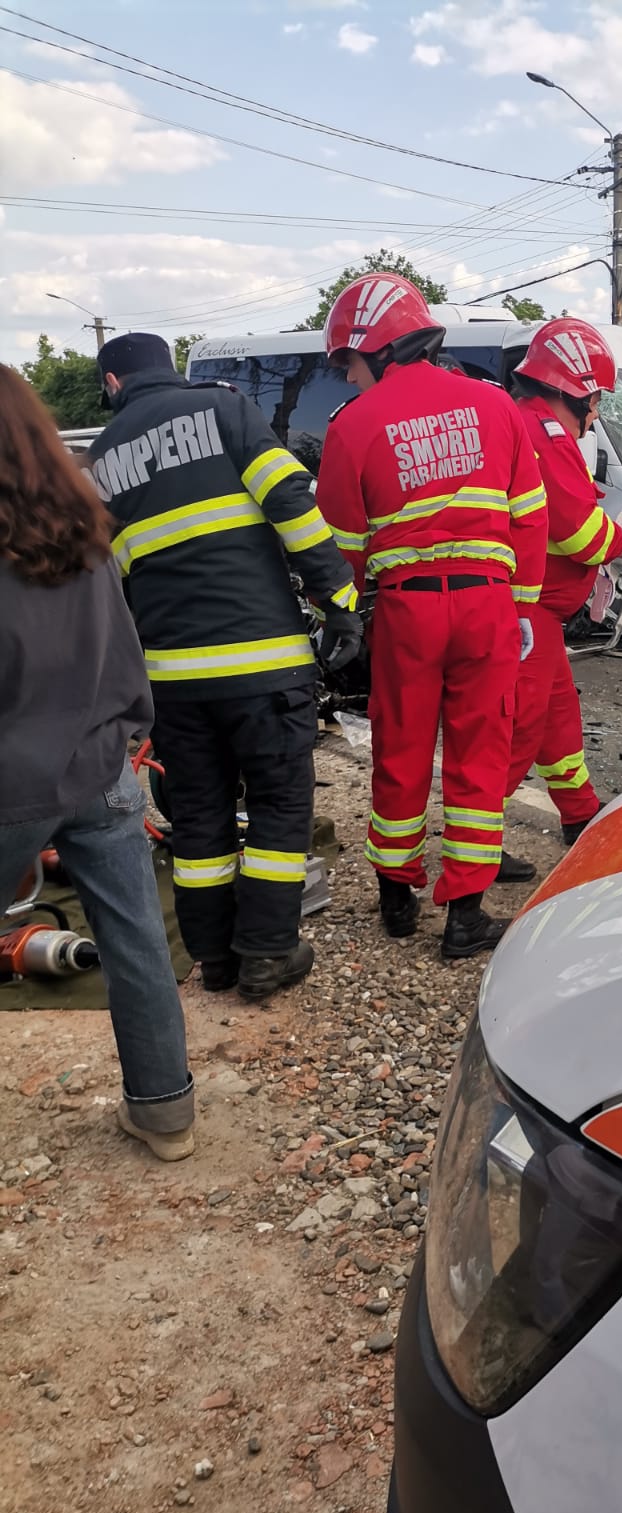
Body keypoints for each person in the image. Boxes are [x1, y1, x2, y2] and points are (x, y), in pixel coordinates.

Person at [87, 332, 361, 1002]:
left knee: (200, 811)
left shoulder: (99, 461)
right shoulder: (224, 409)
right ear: (169, 369)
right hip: (263, 665)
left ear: (114, 384)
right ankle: (267, 951)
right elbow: (291, 504)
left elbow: (108, 581)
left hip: (172, 680)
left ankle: (213, 957)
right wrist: (339, 601)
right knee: (277, 803)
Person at [314, 272, 548, 958]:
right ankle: (466, 916)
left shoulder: (352, 424)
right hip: (488, 603)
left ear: (378, 349)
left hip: (406, 611)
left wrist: (343, 614)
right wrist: (524, 604)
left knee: (400, 749)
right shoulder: (496, 405)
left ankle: (396, 897)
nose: (349, 377)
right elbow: (530, 516)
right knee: (480, 756)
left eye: (350, 361)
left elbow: (342, 546)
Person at [0, 366, 194, 1161]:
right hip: (102, 763)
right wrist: (127, 733)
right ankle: (167, 1113)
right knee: (136, 940)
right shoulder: (82, 526)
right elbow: (122, 643)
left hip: (13, 778)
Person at [498, 318, 622, 881]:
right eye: (596, 399)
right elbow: (578, 531)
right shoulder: (543, 433)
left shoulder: (528, 423)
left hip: (536, 609)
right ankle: (475, 841)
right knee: (519, 727)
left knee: (557, 714)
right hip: (524, 606)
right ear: (574, 390)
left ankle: (580, 813)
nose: (596, 415)